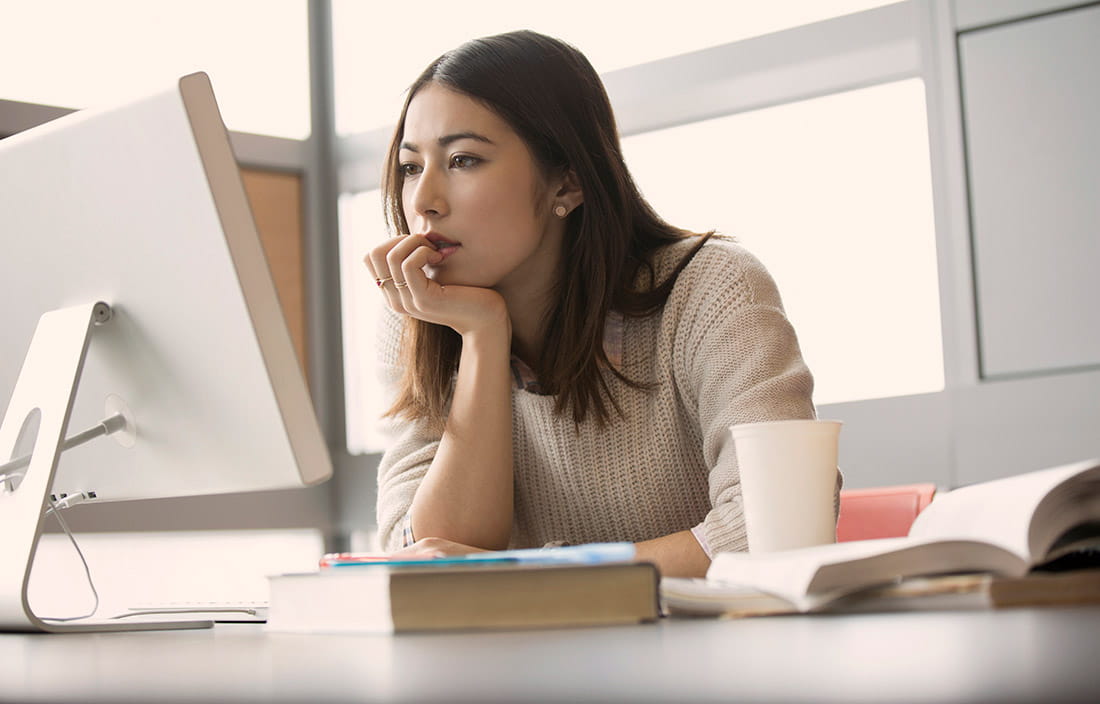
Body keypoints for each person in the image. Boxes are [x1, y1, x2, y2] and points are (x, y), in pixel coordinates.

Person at [366, 30, 833, 578]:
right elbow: (428, 556)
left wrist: (535, 577)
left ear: (568, 182)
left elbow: (775, 531)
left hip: (710, 654)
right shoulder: (424, 317)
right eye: (411, 166)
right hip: (520, 662)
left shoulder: (712, 288)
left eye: (464, 160)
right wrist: (483, 337)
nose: (423, 201)